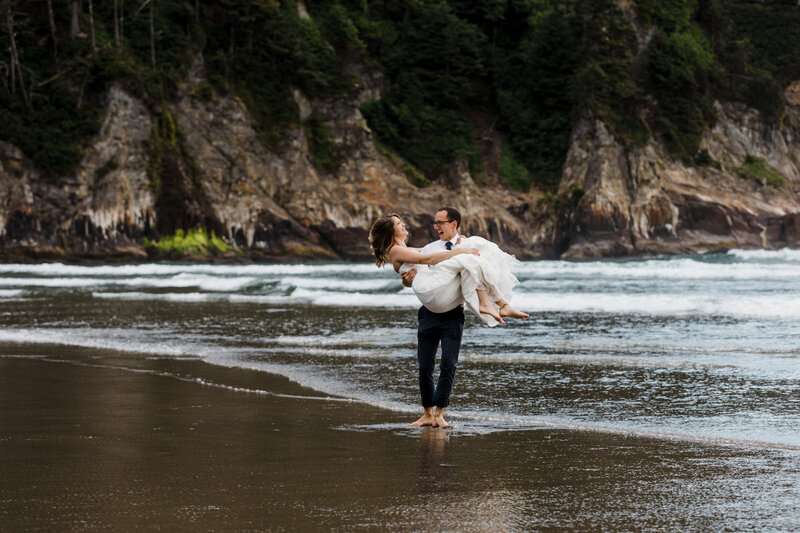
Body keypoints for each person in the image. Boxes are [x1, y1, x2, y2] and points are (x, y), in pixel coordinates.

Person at [368, 207, 527, 428]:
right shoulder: (408, 250)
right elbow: (425, 259)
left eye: (440, 223)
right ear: (391, 231)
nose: (403, 224)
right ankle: (427, 413)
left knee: (448, 365)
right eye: (398, 224)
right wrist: (460, 252)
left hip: (453, 313)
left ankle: (440, 414)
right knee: (425, 366)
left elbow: (419, 259)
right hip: (429, 312)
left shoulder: (421, 247)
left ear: (453, 224)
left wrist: (462, 247)